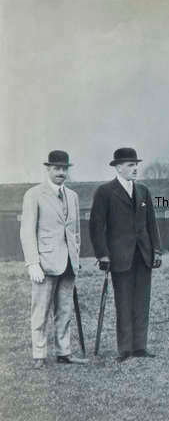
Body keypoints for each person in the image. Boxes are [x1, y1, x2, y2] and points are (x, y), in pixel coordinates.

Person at [89, 147, 162, 362]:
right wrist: (102, 254)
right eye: (131, 165)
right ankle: (125, 349)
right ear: (118, 167)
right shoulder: (104, 192)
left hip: (143, 255)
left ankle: (140, 347)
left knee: (142, 302)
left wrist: (156, 250)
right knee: (124, 302)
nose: (135, 168)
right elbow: (96, 226)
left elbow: (152, 223)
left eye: (136, 164)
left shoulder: (143, 191)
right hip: (119, 257)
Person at [20, 150, 88, 368]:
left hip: (68, 263)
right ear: (48, 169)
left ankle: (64, 352)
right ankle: (39, 354)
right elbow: (27, 231)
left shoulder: (73, 196)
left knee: (64, 310)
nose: (61, 172)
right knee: (40, 310)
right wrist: (32, 262)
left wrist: (76, 256)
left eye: (64, 168)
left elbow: (75, 231)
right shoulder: (34, 195)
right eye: (56, 168)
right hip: (45, 264)